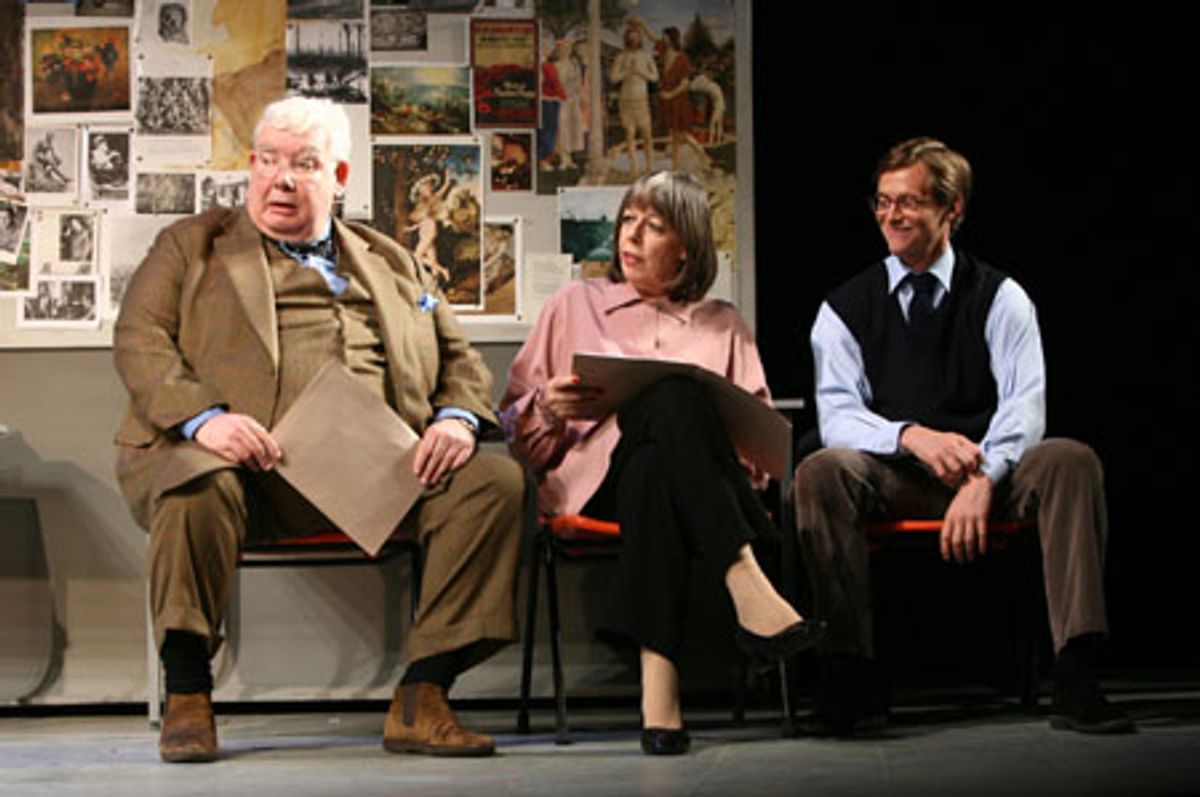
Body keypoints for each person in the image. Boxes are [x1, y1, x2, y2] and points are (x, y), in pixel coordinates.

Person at [113, 96, 523, 763]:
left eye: (303, 164)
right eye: (267, 160)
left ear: (338, 177)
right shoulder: (193, 245)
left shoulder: (391, 257)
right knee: (195, 482)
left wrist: (455, 418)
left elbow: (460, 358)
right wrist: (204, 419)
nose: (280, 179)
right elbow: (140, 338)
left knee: (492, 482)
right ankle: (188, 695)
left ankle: (423, 694)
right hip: (248, 475)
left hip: (382, 472)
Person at [793, 137, 1132, 735]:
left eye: (908, 202)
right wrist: (911, 436)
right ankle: (849, 676)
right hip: (897, 476)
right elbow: (839, 414)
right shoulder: (845, 307)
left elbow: (1025, 408)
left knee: (1070, 460)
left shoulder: (1001, 296)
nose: (891, 216)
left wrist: (985, 479)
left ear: (952, 209)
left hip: (990, 473)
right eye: (883, 202)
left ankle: (1077, 670)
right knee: (821, 468)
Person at [500, 172, 823, 756]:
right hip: (594, 486)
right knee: (671, 398)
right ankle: (746, 580)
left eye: (654, 226)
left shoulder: (723, 323)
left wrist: (703, 444)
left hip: (684, 495)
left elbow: (760, 458)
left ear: (686, 249)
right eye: (628, 220)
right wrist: (546, 406)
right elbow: (517, 433)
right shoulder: (574, 304)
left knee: (658, 464)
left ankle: (660, 689)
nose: (631, 235)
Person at [608, 19, 658, 174]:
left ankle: (649, 165)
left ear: (640, 39)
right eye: (631, 37)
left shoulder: (646, 56)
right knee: (630, 134)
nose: (634, 40)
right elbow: (613, 78)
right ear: (627, 39)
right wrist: (628, 71)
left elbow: (655, 77)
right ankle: (634, 167)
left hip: (641, 99)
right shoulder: (621, 57)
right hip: (626, 99)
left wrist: (640, 71)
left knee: (647, 134)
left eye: (636, 37)